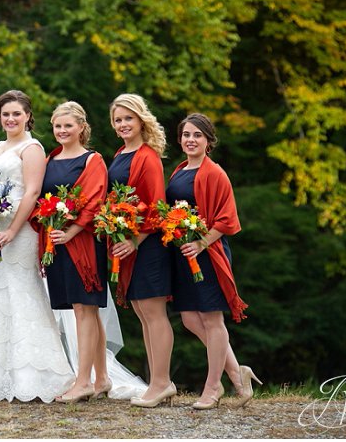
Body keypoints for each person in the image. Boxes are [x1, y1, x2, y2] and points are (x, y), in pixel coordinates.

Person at [0, 90, 75, 402]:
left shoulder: (33, 148)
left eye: (17, 113)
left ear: (28, 116)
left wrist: (12, 229)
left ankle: (34, 377)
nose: (11, 119)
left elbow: (33, 192)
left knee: (22, 294)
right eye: (5, 114)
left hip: (20, 232)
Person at [167, 113, 259, 410]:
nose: (190, 140)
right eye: (186, 135)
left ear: (208, 141)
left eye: (197, 135)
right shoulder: (180, 170)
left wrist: (201, 242)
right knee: (190, 319)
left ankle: (213, 386)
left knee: (211, 319)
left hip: (208, 254)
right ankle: (236, 371)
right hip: (184, 254)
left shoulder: (214, 173)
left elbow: (228, 218)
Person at [37, 101, 111, 403]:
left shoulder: (93, 160)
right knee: (84, 309)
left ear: (82, 127)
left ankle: (83, 382)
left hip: (83, 243)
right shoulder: (49, 159)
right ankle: (102, 378)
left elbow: (94, 201)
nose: (62, 131)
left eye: (68, 125)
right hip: (57, 241)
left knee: (85, 307)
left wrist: (71, 231)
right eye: (58, 126)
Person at [106, 94, 175, 408]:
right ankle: (157, 383)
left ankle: (162, 383)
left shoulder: (146, 157)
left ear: (141, 120)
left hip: (148, 247)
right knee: (143, 314)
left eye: (127, 119)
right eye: (118, 120)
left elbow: (156, 207)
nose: (122, 124)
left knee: (154, 314)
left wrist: (134, 240)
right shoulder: (121, 153)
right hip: (130, 245)